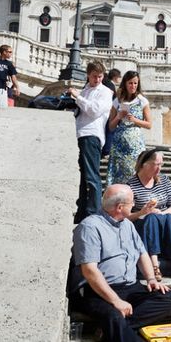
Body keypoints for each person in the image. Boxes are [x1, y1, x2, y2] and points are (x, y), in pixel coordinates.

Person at [69, 184, 171, 342]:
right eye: (131, 202)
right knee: (114, 315)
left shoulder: (127, 224)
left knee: (168, 298)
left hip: (130, 286)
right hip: (100, 291)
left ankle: (107, 329)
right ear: (120, 207)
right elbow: (89, 271)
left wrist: (151, 279)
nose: (134, 205)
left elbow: (142, 253)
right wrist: (115, 300)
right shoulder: (90, 227)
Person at [126, 149, 171, 281]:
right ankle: (154, 265)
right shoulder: (131, 185)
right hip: (142, 224)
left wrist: (162, 212)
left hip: (163, 222)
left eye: (161, 164)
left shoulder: (164, 180)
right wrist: (142, 212)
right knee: (151, 217)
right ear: (145, 164)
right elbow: (126, 216)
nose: (159, 168)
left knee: (168, 216)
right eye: (156, 164)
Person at [68, 61, 114, 223]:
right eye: (94, 76)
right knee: (83, 175)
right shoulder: (86, 89)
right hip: (81, 134)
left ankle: (94, 210)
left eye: (100, 76)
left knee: (92, 175)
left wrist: (78, 97)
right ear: (88, 75)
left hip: (92, 134)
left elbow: (94, 111)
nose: (97, 79)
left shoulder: (105, 92)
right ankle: (82, 210)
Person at [107, 71, 152, 186]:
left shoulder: (142, 101)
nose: (133, 86)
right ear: (125, 84)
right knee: (118, 175)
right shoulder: (117, 101)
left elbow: (149, 124)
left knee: (135, 173)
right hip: (119, 144)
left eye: (135, 83)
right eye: (130, 83)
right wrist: (118, 117)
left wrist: (134, 120)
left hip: (135, 144)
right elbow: (111, 127)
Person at [101, 68, 122, 158]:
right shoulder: (110, 85)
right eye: (119, 77)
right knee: (110, 131)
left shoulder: (107, 84)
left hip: (106, 112)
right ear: (115, 77)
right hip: (109, 112)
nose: (120, 79)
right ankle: (106, 151)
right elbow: (111, 100)